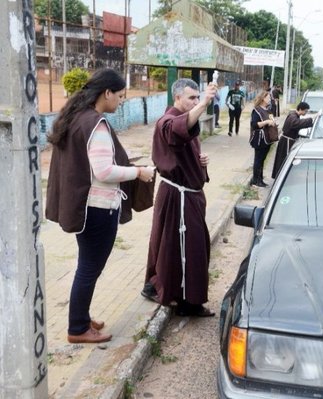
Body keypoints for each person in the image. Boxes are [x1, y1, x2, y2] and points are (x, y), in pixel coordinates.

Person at [45, 68, 155, 344]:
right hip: (98, 209)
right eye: (119, 95)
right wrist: (138, 172)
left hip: (85, 207)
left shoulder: (76, 118)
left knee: (87, 265)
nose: (120, 100)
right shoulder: (97, 124)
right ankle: (78, 328)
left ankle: (80, 317)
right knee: (89, 268)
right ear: (106, 93)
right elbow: (104, 171)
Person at [141, 78, 217, 317]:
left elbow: (184, 149)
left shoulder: (185, 119)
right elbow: (176, 130)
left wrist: (200, 162)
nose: (195, 101)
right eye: (191, 98)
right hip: (178, 197)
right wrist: (204, 102)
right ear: (177, 98)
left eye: (197, 97)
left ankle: (156, 286)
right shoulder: (168, 121)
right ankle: (188, 302)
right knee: (188, 248)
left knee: (169, 246)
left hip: (185, 195)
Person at [271, 101, 313, 179]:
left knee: (282, 160)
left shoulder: (294, 115)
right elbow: (296, 124)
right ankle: (281, 177)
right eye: (305, 111)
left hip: (287, 141)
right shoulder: (293, 116)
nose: (306, 113)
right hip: (286, 142)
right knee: (284, 160)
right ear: (301, 109)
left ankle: (281, 176)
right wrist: (310, 120)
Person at [249, 90, 276, 187]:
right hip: (259, 139)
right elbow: (254, 124)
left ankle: (260, 179)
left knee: (263, 159)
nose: (269, 99)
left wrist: (272, 121)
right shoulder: (256, 110)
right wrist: (266, 122)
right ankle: (256, 180)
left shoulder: (268, 110)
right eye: (268, 97)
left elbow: (271, 119)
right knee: (258, 159)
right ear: (263, 98)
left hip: (267, 138)